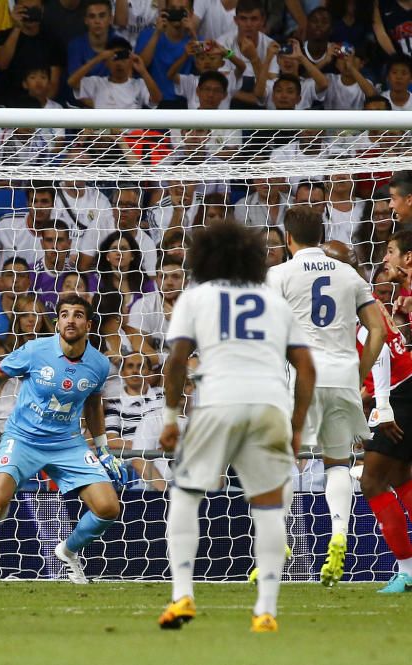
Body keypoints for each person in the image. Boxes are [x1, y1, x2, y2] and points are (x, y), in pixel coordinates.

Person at [158, 221, 315, 633]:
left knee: (187, 495)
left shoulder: (196, 297)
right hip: (270, 404)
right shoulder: (273, 301)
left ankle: (182, 596)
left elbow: (176, 361)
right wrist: (297, 426)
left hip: (218, 401)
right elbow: (306, 366)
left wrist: (172, 418)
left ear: (204, 257)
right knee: (267, 506)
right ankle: (266, 610)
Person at [0, 294, 126, 584]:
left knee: (108, 509)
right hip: (22, 439)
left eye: (77, 315)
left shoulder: (99, 365)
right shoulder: (36, 350)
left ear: (88, 324)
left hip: (67, 443)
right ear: (57, 322)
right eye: (64, 314)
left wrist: (102, 449)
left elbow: (93, 404)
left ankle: (67, 550)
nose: (70, 320)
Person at [266, 206, 385, 586]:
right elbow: (378, 331)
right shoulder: (349, 274)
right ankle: (338, 536)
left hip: (301, 377)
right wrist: (359, 373)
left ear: (288, 238)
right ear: (322, 234)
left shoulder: (279, 274)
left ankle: (278, 541)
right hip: (342, 376)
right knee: (337, 462)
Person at [364, 228, 412, 593]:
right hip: (402, 386)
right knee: (400, 477)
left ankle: (407, 570)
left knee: (372, 480)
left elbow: (379, 349)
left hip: (399, 393)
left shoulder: (349, 302)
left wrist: (381, 405)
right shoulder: (378, 298)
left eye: (391, 251)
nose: (385, 260)